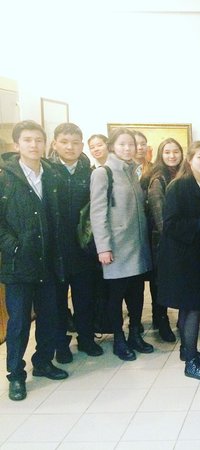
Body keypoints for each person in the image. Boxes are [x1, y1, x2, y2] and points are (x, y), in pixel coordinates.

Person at [0, 120, 68, 401]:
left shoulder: (52, 174)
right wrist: (14, 247)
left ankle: (43, 362)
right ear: (17, 144)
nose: (34, 145)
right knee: (18, 323)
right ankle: (16, 375)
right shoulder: (5, 177)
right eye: (27, 140)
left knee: (49, 316)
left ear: (45, 143)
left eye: (38, 140)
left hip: (48, 260)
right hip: (19, 264)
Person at [90, 128, 153, 361]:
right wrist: (103, 247)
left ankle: (135, 334)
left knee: (136, 294)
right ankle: (119, 339)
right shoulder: (103, 173)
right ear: (112, 147)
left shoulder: (132, 172)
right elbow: (98, 213)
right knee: (115, 297)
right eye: (122, 144)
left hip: (137, 246)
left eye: (131, 144)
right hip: (116, 248)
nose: (128, 148)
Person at [157, 141, 200, 381]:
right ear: (190, 159)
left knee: (192, 306)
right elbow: (170, 224)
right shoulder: (179, 186)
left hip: (197, 254)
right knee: (192, 307)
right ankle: (191, 363)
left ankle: (187, 350)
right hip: (182, 258)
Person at [49, 123, 104, 363]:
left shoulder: (90, 173)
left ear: (82, 145)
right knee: (57, 301)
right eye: (64, 142)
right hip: (56, 249)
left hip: (84, 247)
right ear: (55, 144)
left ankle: (86, 339)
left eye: (75, 143)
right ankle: (61, 344)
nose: (69, 147)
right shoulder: (47, 172)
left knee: (85, 297)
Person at [146, 138, 184, 342]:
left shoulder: (182, 174)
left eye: (175, 151)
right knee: (160, 283)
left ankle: (180, 319)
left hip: (179, 238)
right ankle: (161, 319)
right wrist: (174, 240)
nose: (172, 156)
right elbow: (160, 216)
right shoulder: (158, 179)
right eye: (167, 152)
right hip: (163, 240)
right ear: (161, 154)